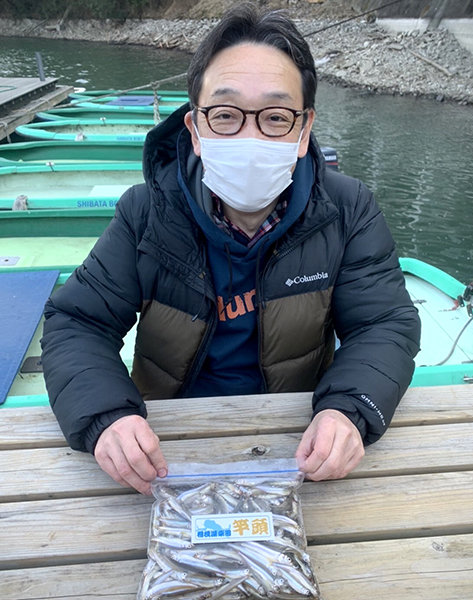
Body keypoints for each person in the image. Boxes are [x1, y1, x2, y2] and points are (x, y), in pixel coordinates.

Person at [41, 3, 420, 495]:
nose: (249, 135)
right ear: (195, 129)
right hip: (166, 443)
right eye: (224, 115)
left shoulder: (348, 210)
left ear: (304, 130)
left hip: (297, 442)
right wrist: (107, 415)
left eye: (276, 117)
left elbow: (383, 323)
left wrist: (350, 408)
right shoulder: (146, 212)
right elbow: (78, 322)